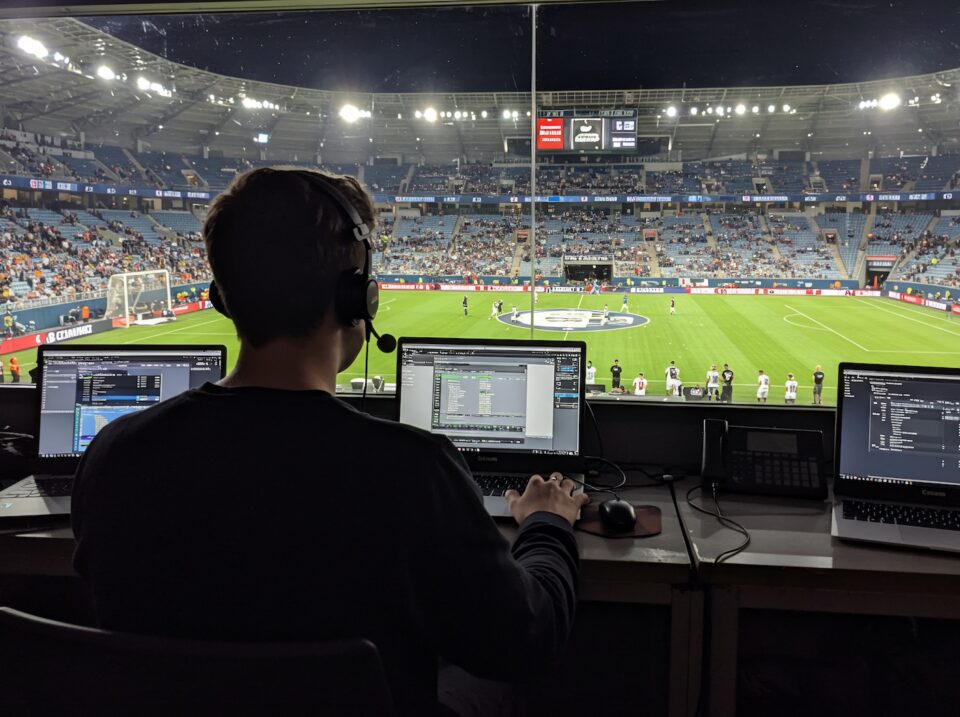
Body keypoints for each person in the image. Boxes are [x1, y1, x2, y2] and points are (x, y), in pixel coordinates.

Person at [71, 168, 588, 717]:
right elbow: (526, 641)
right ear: (356, 296)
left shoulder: (115, 454)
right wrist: (548, 524)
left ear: (223, 297)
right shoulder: (410, 470)